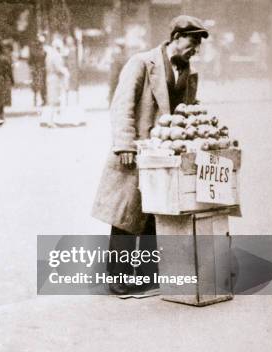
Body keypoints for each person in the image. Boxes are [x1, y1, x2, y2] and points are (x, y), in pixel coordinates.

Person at [91, 15, 209, 295]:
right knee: (126, 216)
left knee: (157, 213)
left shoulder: (189, 73)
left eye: (198, 45)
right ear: (176, 38)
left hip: (167, 154)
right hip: (136, 152)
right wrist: (124, 145)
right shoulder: (142, 62)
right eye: (192, 42)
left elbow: (186, 112)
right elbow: (122, 105)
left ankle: (146, 274)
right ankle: (117, 276)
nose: (196, 50)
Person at [40, 36, 69, 127]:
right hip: (55, 79)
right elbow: (58, 68)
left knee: (53, 100)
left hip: (51, 78)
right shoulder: (55, 55)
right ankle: (51, 120)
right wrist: (65, 72)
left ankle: (52, 120)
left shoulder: (49, 55)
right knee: (54, 100)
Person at [29, 35, 47, 107]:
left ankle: (35, 100)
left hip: (36, 69)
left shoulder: (33, 51)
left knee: (36, 86)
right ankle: (43, 100)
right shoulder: (44, 51)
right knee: (43, 86)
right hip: (42, 69)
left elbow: (30, 61)